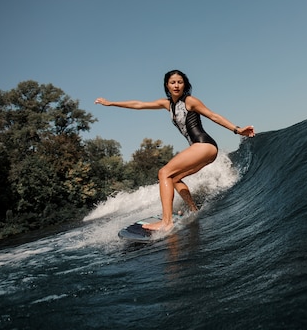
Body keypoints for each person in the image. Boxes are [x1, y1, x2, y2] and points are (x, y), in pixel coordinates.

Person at [94, 69, 255, 231]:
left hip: (204, 145)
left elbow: (213, 115)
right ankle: (193, 209)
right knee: (175, 178)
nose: (176, 85)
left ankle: (166, 222)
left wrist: (237, 130)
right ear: (167, 85)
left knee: (164, 173)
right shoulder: (167, 104)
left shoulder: (190, 101)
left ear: (185, 84)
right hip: (204, 149)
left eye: (180, 82)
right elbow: (139, 104)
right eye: (173, 82)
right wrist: (112, 103)